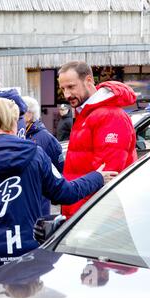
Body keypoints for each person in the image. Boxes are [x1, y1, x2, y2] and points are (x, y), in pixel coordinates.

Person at [0, 97, 118, 280]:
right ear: (13, 121)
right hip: (27, 251)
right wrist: (96, 177)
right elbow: (65, 193)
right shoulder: (37, 154)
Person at [58, 60, 137, 219]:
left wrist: (79, 220)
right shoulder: (85, 113)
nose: (66, 94)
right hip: (83, 213)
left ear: (88, 81)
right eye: (63, 89)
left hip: (94, 217)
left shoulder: (110, 116)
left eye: (71, 87)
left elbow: (107, 176)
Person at [23, 96, 64, 216]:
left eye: (19, 113)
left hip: (39, 202)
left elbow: (59, 169)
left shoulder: (45, 138)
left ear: (29, 115)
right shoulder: (18, 134)